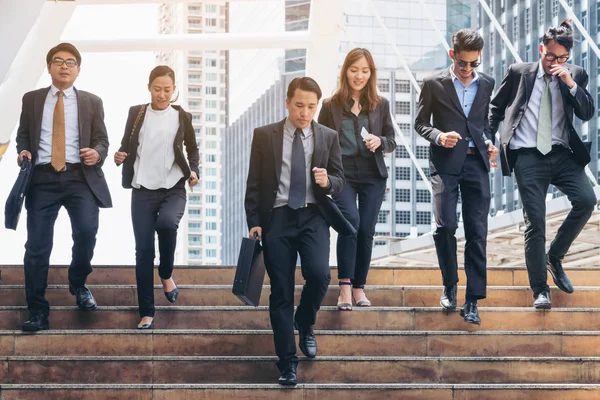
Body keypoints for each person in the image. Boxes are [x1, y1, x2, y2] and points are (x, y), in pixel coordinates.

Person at [245, 77, 345, 386]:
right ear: (287, 102)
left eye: (312, 107)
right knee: (281, 292)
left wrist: (328, 181)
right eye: (299, 105)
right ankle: (287, 363)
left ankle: (306, 320)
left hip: (314, 216)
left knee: (319, 275)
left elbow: (340, 181)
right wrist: (254, 222)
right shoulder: (264, 136)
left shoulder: (327, 136)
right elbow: (254, 185)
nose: (305, 113)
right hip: (278, 218)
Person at [489, 20, 596, 309]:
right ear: (541, 49)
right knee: (535, 222)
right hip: (527, 156)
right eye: (550, 56)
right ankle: (540, 290)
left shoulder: (575, 75)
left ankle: (555, 256)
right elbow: (495, 109)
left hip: (561, 155)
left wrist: (570, 83)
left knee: (587, 200)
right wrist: (490, 140)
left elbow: (587, 112)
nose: (555, 63)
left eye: (561, 58)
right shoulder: (518, 73)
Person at [16, 42, 112, 331]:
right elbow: (23, 135)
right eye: (58, 61)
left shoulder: (92, 102)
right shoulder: (31, 99)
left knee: (86, 231)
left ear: (78, 70)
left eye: (71, 62)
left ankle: (78, 283)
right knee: (37, 246)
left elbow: (102, 140)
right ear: (49, 67)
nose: (64, 66)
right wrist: (22, 151)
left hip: (79, 177)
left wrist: (97, 153)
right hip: (42, 178)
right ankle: (38, 312)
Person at [415, 29, 497, 325]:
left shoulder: (486, 83)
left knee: (477, 231)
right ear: (453, 55)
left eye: (474, 64)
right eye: (463, 63)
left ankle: (473, 300)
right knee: (446, 226)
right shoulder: (433, 83)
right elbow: (420, 123)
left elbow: (484, 123)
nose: (467, 70)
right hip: (445, 164)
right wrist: (438, 136)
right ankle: (450, 283)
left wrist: (489, 142)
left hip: (477, 165)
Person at [114, 65, 199, 329]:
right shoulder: (137, 113)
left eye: (167, 90)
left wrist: (194, 170)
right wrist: (120, 156)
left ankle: (166, 273)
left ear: (174, 90)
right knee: (143, 252)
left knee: (167, 224)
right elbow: (126, 145)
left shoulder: (181, 116)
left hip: (173, 186)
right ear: (149, 87)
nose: (161, 95)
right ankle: (147, 312)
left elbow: (192, 148)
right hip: (142, 190)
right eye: (156, 89)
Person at [318, 48, 396, 310]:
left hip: (373, 174)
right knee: (349, 224)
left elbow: (391, 140)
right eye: (354, 70)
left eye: (365, 70)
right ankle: (345, 288)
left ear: (371, 73)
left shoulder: (380, 104)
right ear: (345, 71)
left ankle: (360, 288)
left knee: (366, 231)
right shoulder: (330, 106)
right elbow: (320, 140)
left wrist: (380, 141)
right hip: (343, 175)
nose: (359, 76)